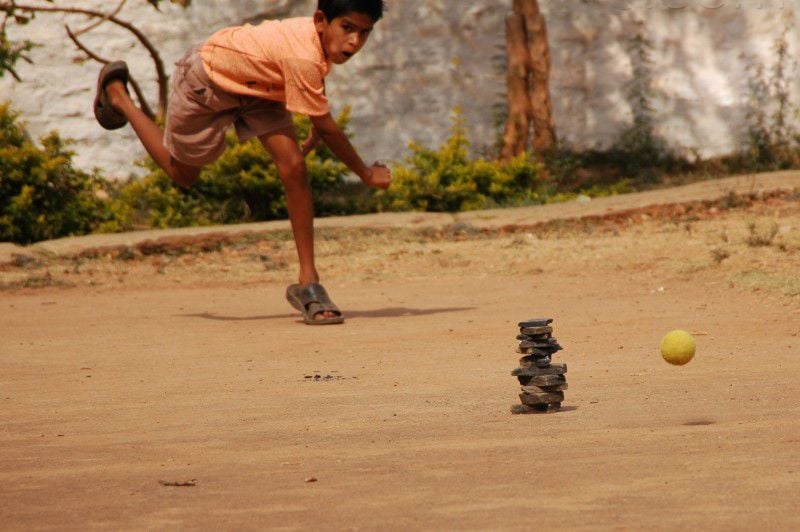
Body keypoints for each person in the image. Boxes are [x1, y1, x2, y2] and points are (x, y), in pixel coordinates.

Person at [93, 0, 391, 325]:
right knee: (182, 173)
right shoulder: (302, 53)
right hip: (208, 80)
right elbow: (326, 123)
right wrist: (365, 173)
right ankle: (118, 94)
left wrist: (314, 133)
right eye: (348, 28)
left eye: (365, 33)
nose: (355, 42)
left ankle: (309, 283)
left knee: (294, 167)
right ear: (321, 20)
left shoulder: (315, 46)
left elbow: (313, 86)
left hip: (262, 89)